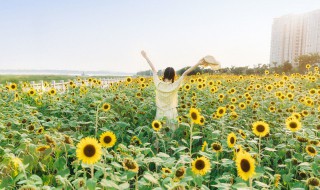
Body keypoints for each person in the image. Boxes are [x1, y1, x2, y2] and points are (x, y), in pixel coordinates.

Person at [141, 50, 204, 130]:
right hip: (171, 113)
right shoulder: (175, 85)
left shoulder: (158, 84)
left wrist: (145, 56)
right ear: (173, 76)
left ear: (164, 74)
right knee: (171, 135)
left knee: (159, 134)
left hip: (160, 112)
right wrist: (198, 63)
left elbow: (153, 69)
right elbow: (185, 73)